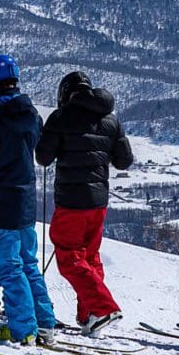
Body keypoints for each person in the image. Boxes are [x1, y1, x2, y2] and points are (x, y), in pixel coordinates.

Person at [35, 71, 132, 336]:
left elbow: (43, 157)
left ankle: (103, 308)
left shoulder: (61, 118)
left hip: (71, 201)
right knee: (89, 257)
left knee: (68, 256)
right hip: (99, 201)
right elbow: (124, 161)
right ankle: (89, 315)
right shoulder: (111, 120)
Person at [0, 54, 56, 346]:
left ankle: (23, 329)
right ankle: (44, 323)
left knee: (8, 267)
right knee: (28, 262)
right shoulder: (30, 113)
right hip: (25, 197)